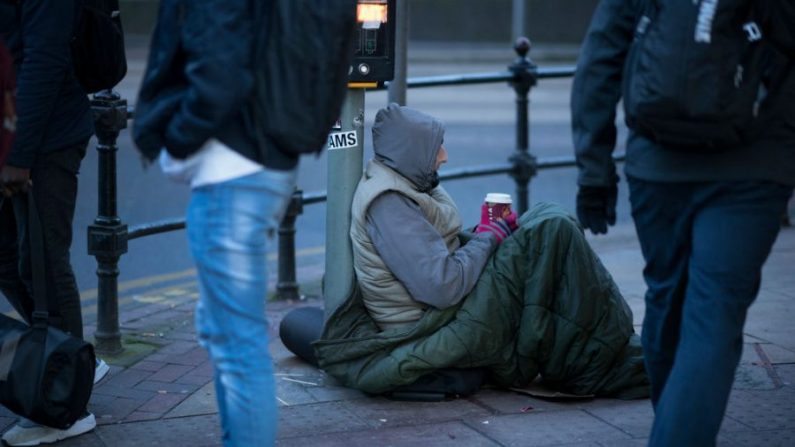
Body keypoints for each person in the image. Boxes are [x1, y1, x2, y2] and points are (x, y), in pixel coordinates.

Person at [571, 1, 795, 445]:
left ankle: (677, 421)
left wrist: (595, 171)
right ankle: (682, 426)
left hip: (658, 164)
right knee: (714, 315)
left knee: (666, 300)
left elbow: (600, 58)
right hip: (752, 168)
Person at [314, 104, 649, 400]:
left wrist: (487, 235)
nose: (444, 156)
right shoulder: (388, 202)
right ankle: (601, 355)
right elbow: (442, 287)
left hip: (450, 302)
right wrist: (488, 238)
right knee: (552, 227)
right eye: (436, 148)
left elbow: (436, 257)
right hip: (434, 320)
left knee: (545, 221)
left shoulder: (405, 182)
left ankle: (602, 343)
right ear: (411, 152)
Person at [132, 2, 299, 446]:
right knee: (225, 336)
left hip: (230, 176)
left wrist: (177, 143)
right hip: (262, 163)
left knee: (238, 347)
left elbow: (220, 76)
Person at [0, 1, 110, 445]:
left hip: (46, 137)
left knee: (42, 261)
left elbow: (43, 62)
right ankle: (70, 357)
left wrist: (19, 155)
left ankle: (67, 406)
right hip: (14, 136)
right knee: (7, 257)